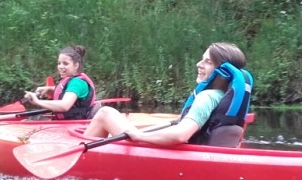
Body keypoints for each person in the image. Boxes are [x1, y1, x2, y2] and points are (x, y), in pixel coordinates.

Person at [81, 41, 253, 147]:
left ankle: (83, 159)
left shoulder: (206, 97)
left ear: (223, 71)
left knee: (105, 113)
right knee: (116, 124)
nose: (198, 64)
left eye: (207, 62)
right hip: (199, 152)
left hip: (184, 156)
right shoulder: (224, 98)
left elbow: (181, 135)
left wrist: (140, 136)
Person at [21, 45, 97, 119]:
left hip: (74, 125)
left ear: (76, 65)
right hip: (66, 124)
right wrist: (49, 89)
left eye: (65, 63)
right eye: (59, 63)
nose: (60, 67)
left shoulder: (77, 83)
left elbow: (64, 106)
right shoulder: (71, 80)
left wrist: (37, 101)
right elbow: (66, 91)